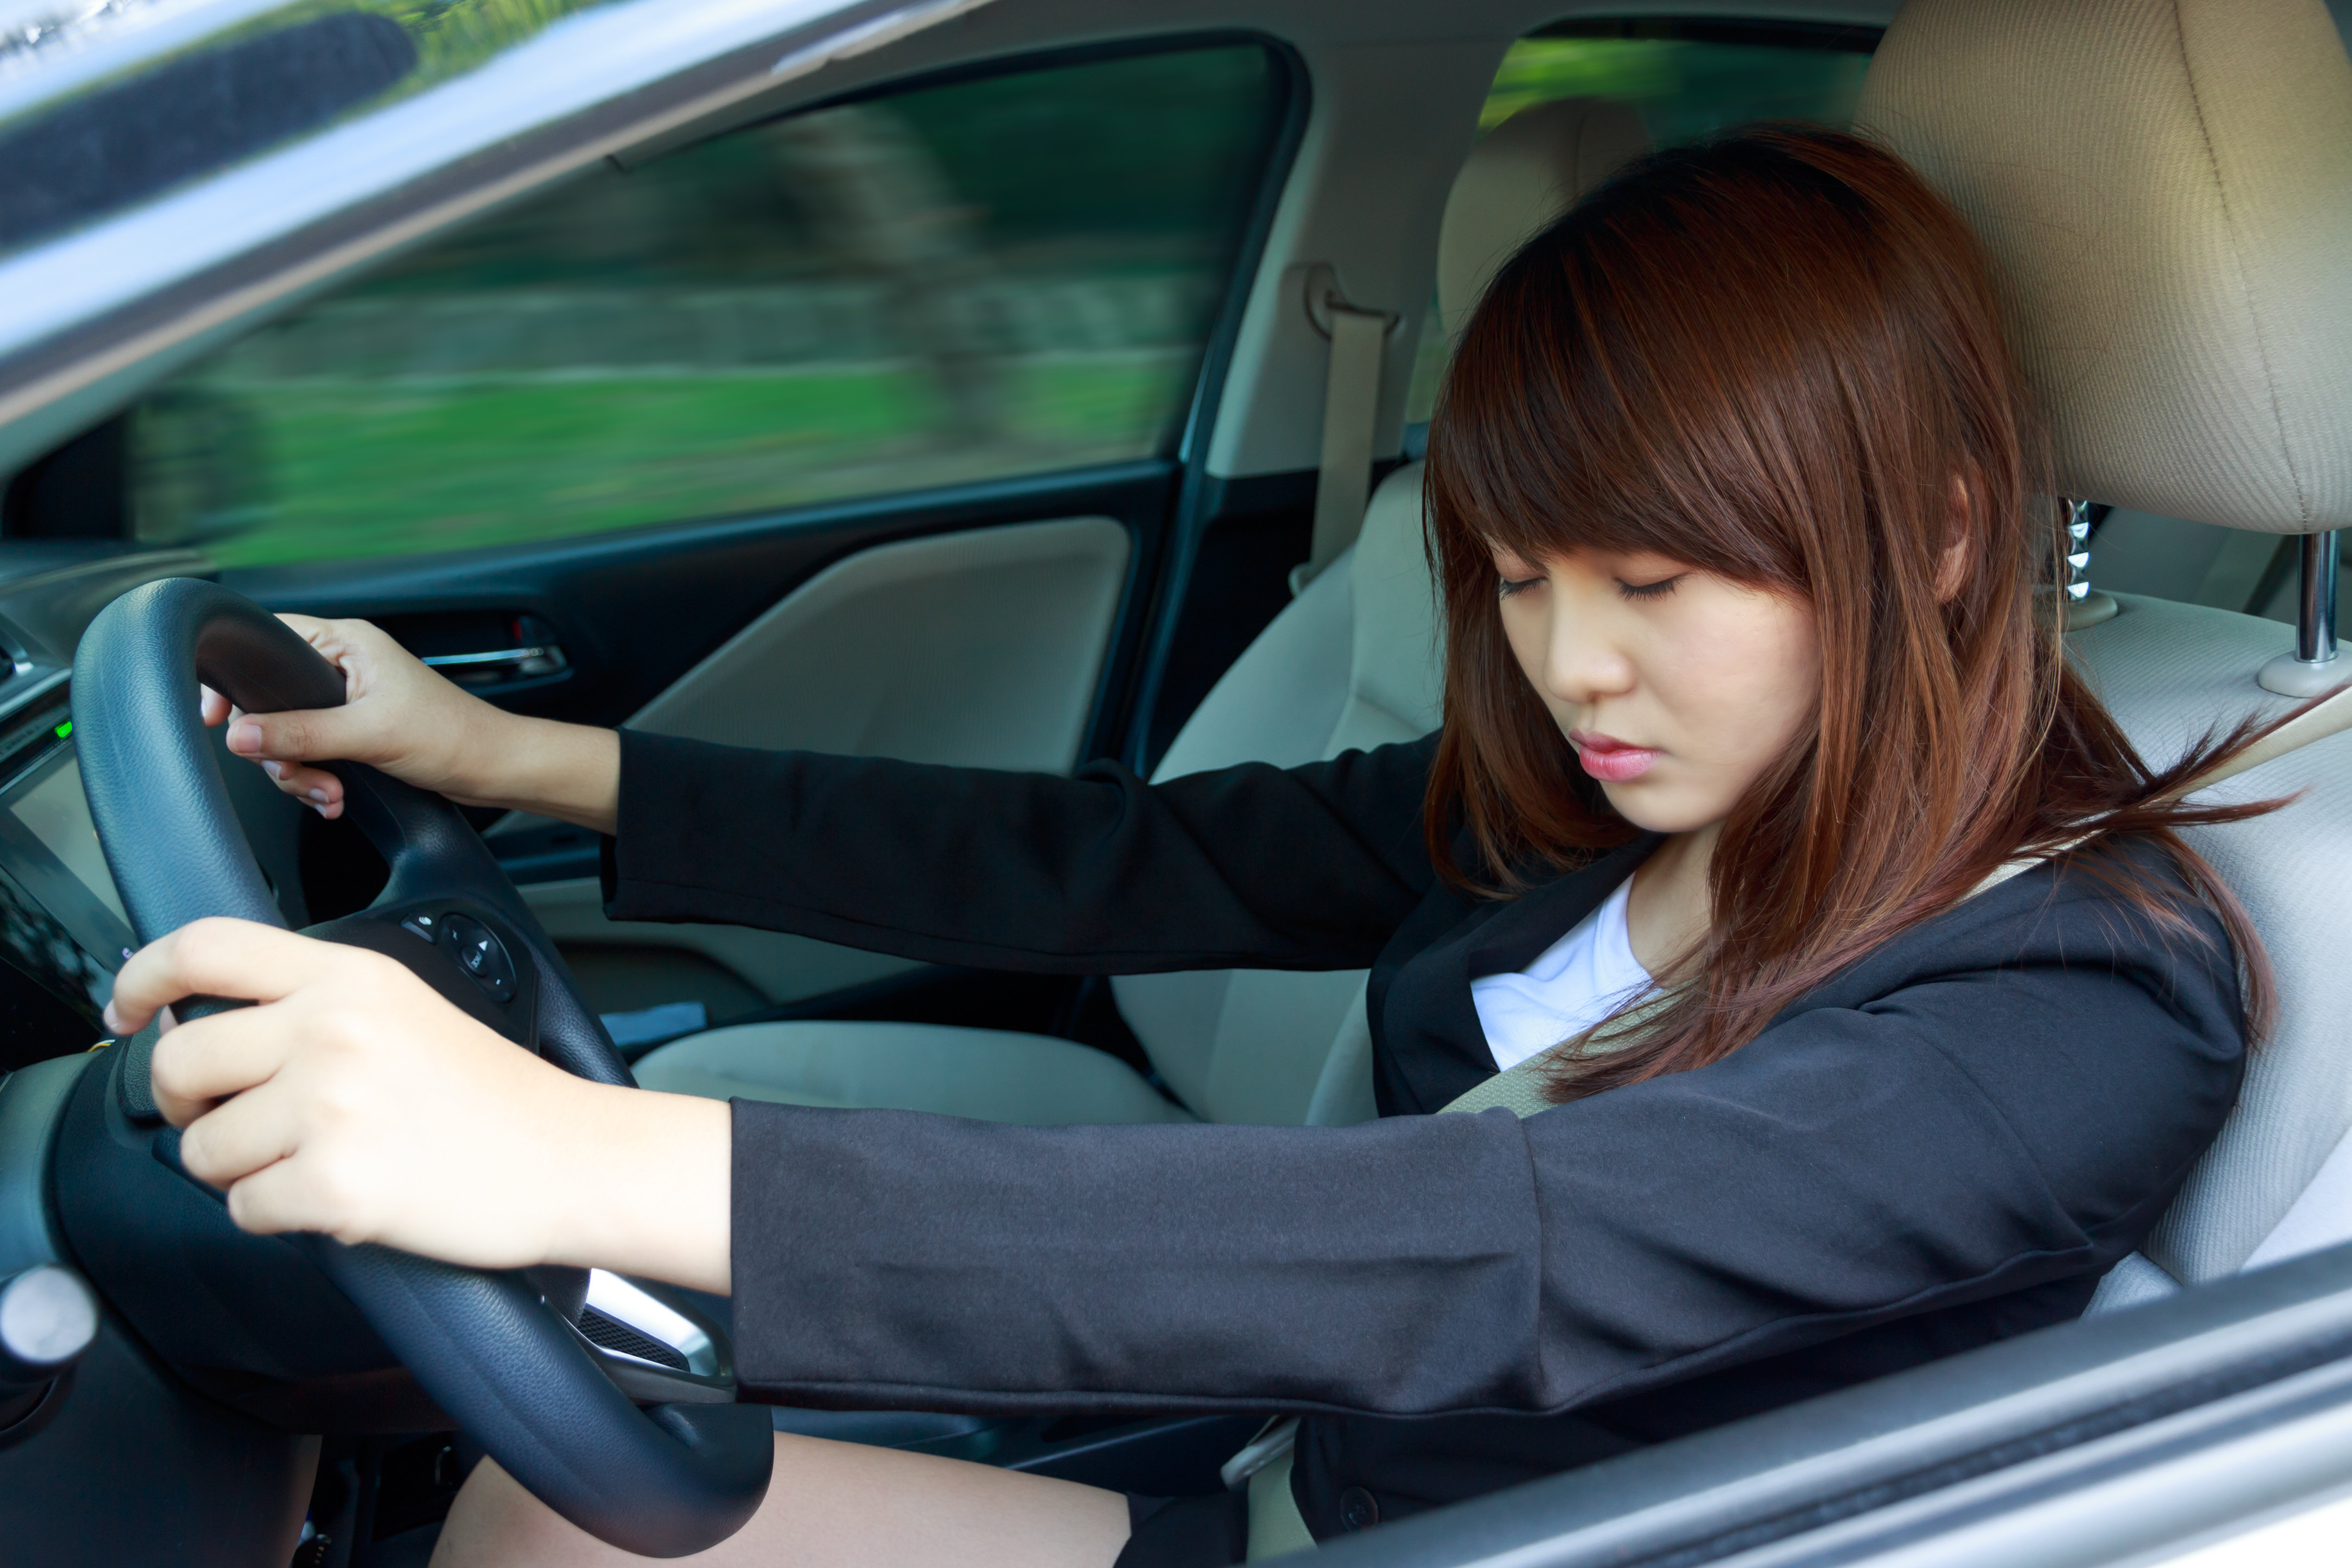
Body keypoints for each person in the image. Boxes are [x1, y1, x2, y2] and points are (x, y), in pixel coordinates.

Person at [108, 127, 2283, 1568]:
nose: (1570, 665)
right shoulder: (1633, 798)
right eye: (1520, 578)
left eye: (1651, 580)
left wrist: (591, 1162)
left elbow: (1499, 1247)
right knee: (536, 1518)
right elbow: (1122, 864)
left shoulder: (2075, 990)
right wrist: (513, 758)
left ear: (1942, 537)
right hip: (1307, 1480)